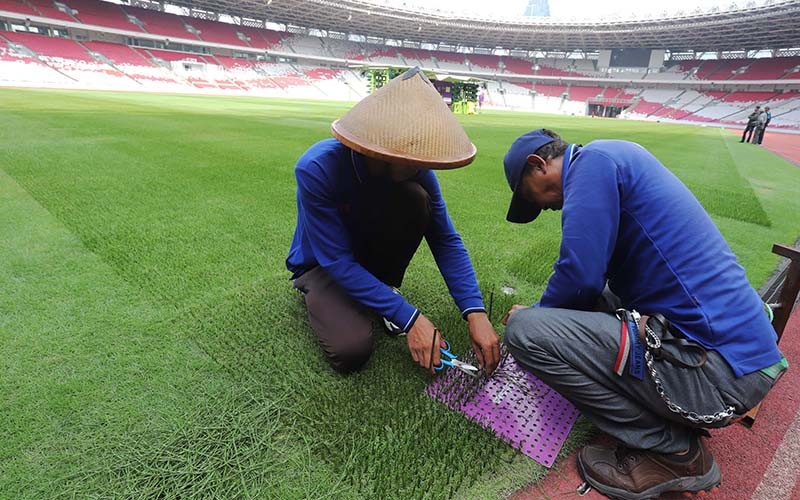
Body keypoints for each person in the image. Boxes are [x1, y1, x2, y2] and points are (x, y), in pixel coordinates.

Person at [500, 129, 786, 499]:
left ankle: (673, 450)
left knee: (525, 331)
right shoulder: (615, 154)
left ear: (538, 165)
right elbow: (596, 288)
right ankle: (670, 426)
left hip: (722, 376)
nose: (546, 209)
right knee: (602, 299)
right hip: (739, 361)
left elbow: (579, 277)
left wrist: (537, 316)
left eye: (532, 198)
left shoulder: (592, 164)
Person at [286, 67, 500, 375]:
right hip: (322, 265)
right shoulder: (317, 168)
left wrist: (474, 310)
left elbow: (444, 238)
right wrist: (410, 318)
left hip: (364, 253)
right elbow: (336, 260)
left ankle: (381, 289)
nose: (422, 165)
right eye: (412, 156)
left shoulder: (417, 171)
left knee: (417, 199)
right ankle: (326, 295)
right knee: (351, 350)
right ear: (381, 148)